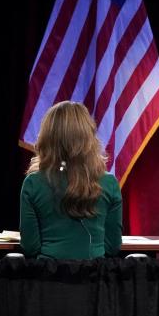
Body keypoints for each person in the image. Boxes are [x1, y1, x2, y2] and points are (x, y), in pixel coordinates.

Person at [19, 101, 122, 259]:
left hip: (47, 277)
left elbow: (30, 248)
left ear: (47, 138)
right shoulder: (109, 183)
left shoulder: (33, 183)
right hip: (95, 279)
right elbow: (112, 247)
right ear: (88, 137)